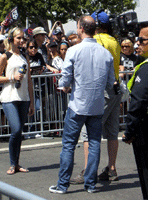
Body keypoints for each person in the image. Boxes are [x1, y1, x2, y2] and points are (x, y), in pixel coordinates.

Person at [49, 15, 115, 194]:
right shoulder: (105, 53)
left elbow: (65, 79)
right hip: (96, 106)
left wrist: (64, 86)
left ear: (80, 28)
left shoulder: (74, 50)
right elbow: (110, 83)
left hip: (77, 105)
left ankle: (63, 185)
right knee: (94, 144)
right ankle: (90, 185)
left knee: (69, 145)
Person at [70, 9, 122, 184]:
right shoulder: (114, 41)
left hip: (104, 90)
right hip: (116, 89)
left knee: (89, 133)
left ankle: (87, 171)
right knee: (112, 132)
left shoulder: (98, 41)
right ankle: (111, 169)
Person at [0, 27, 34, 175]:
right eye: (19, 38)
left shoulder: (25, 56)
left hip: (23, 98)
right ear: (11, 39)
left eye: (23, 38)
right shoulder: (5, 56)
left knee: (19, 132)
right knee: (15, 129)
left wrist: (32, 102)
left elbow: (29, 80)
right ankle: (12, 163)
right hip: (9, 97)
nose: (22, 41)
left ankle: (17, 163)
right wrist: (12, 78)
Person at [122, 26, 148, 200]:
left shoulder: (145, 69)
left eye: (142, 40)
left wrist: (129, 131)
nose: (138, 43)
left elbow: (138, 102)